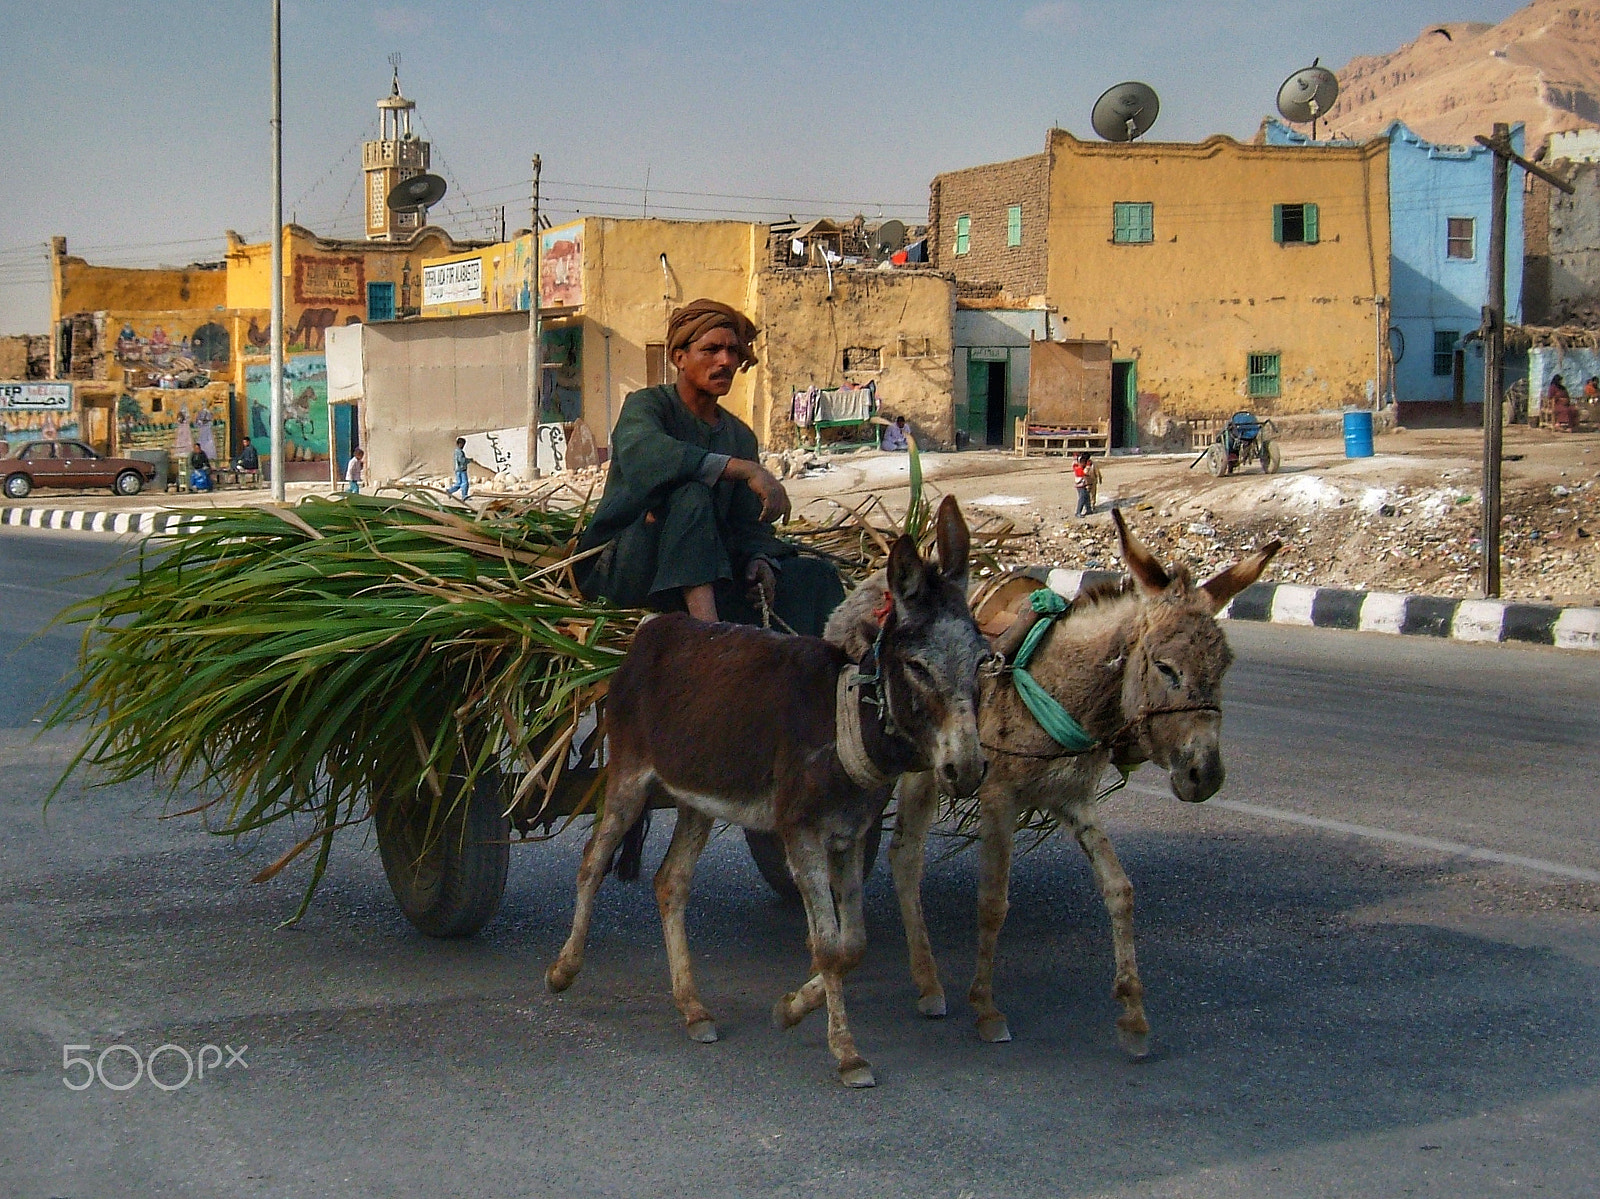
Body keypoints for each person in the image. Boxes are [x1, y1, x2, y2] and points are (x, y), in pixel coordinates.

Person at [576, 298, 844, 633]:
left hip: (703, 571)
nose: (726, 361)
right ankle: (709, 636)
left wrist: (761, 560)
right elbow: (650, 456)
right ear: (680, 358)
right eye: (712, 350)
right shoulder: (646, 406)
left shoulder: (740, 436)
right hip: (623, 570)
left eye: (733, 351)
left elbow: (749, 524)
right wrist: (746, 470)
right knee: (691, 492)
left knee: (816, 577)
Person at [1072, 452, 1097, 517]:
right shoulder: (1079, 469)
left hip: (1083, 485)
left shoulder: (1076, 466)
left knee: (1087, 498)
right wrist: (1088, 466)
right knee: (1082, 498)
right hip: (1080, 486)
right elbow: (1084, 473)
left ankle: (1088, 510)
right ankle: (1078, 512)